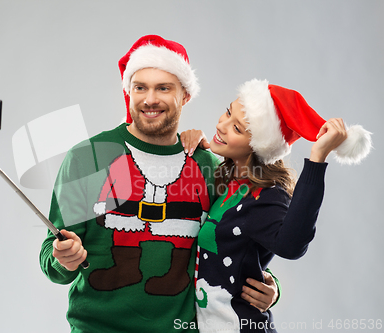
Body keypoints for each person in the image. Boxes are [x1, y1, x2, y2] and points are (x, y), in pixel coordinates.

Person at [39, 35, 279, 333]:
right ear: (129, 91)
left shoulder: (210, 167)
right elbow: (53, 259)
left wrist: (270, 287)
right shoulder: (88, 158)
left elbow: (240, 247)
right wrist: (65, 258)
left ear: (185, 95)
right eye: (140, 87)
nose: (150, 99)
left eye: (163, 88)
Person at [180, 79, 372, 332]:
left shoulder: (264, 196)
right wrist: (189, 141)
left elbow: (291, 246)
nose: (221, 125)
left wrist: (317, 159)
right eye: (228, 112)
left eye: (237, 128)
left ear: (257, 146)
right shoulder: (227, 180)